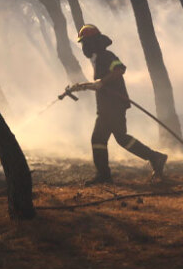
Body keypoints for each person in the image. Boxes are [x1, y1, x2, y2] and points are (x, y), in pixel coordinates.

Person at [69, 24, 166, 185]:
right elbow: (101, 83)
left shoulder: (106, 56)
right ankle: (154, 157)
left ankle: (106, 174)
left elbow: (120, 69)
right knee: (114, 138)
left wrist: (101, 82)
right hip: (109, 105)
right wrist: (81, 86)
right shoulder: (98, 59)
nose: (84, 47)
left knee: (103, 138)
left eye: (85, 43)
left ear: (94, 42)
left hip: (113, 105)